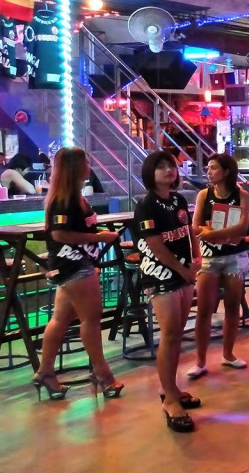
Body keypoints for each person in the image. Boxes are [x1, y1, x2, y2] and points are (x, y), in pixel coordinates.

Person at [34, 147, 122, 401]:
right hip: (74, 265)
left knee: (60, 319)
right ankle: (103, 375)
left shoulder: (70, 196)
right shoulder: (66, 199)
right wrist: (99, 237)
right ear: (75, 167)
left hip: (72, 265)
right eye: (85, 161)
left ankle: (45, 371)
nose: (89, 165)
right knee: (90, 320)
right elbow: (60, 234)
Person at [134, 151, 202, 432]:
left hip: (185, 272)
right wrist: (181, 269)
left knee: (177, 335)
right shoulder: (147, 205)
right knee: (170, 334)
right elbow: (154, 245)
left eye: (170, 166)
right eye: (161, 167)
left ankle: (171, 388)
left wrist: (196, 259)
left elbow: (188, 231)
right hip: (160, 275)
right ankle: (169, 400)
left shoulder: (179, 200)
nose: (168, 171)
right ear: (150, 173)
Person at [188, 153, 249, 379]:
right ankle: (200, 361)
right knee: (205, 308)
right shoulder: (203, 195)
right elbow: (196, 227)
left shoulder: (241, 195)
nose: (209, 171)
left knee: (233, 306)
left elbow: (243, 228)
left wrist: (212, 234)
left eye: (213, 167)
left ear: (226, 171)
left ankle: (228, 354)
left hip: (235, 256)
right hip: (209, 258)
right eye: (208, 167)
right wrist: (220, 235)